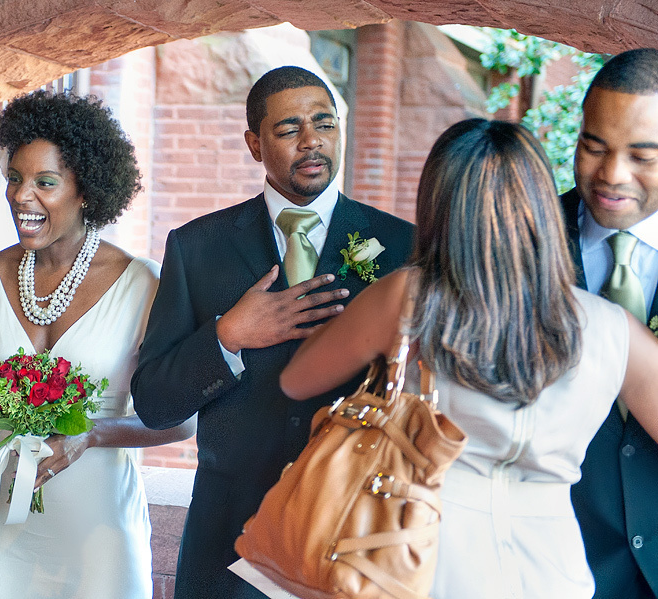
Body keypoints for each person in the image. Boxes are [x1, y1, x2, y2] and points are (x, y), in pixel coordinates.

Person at [280, 118, 658, 598]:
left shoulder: (409, 297)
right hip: (552, 571)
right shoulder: (612, 328)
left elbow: (298, 380)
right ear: (542, 207)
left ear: (440, 205)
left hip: (425, 562)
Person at [131, 66, 415, 598]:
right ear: (254, 144)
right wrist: (227, 337)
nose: (312, 142)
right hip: (229, 543)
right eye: (288, 130)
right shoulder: (197, 247)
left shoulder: (402, 246)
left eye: (324, 124)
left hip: (354, 539)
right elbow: (153, 403)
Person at [0, 90, 196, 599]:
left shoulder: (144, 284)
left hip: (100, 533)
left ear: (87, 190)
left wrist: (91, 434)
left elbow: (180, 420)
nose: (20, 195)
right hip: (2, 529)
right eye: (14, 179)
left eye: (45, 182)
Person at [561, 48, 658, 598]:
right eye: (593, 148)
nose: (612, 176)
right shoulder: (518, 244)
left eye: (643, 156)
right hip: (544, 572)